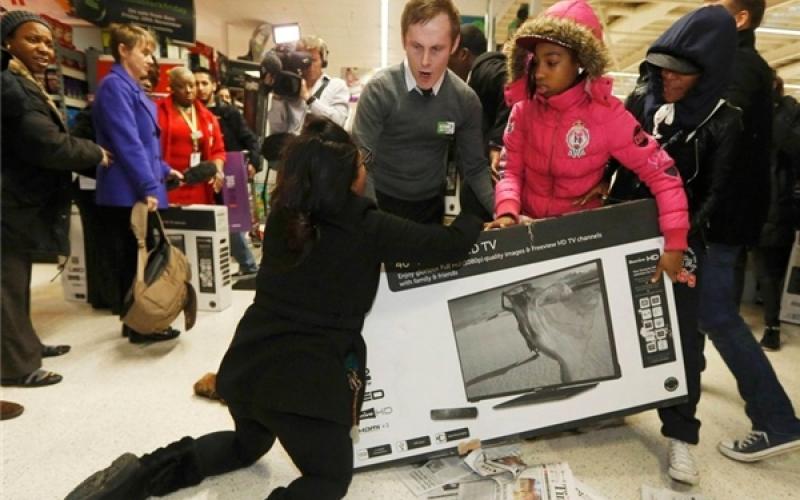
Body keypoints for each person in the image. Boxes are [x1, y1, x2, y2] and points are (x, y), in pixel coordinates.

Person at [65, 116, 483, 500]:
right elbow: (448, 246)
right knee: (330, 479)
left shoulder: (286, 217)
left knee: (246, 444)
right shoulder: (369, 226)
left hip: (248, 366)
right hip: (305, 384)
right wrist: (476, 215)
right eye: (362, 164)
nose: (365, 171)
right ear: (346, 178)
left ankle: (141, 475)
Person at [607, 5, 741, 484]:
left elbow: (715, 194)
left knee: (682, 339)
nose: (668, 77)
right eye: (663, 68)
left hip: (683, 243)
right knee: (614, 321)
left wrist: (677, 240)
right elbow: (612, 160)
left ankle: (681, 435)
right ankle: (611, 406)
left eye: (681, 72)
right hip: (625, 230)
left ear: (709, 73)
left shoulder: (725, 121)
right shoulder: (640, 100)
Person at [489, 0, 689, 285]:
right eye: (536, 62)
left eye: (552, 62)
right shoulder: (523, 111)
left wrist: (675, 243)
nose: (539, 73)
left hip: (580, 246)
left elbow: (662, 174)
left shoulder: (607, 116)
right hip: (528, 239)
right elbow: (510, 170)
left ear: (580, 61)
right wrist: (507, 211)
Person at [699, 0, 800, 462]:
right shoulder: (736, 63)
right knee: (703, 310)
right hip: (727, 215)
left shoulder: (740, 65)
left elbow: (720, 135)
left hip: (723, 217)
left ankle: (776, 420)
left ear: (740, 18)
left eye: (715, 4)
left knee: (719, 316)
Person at [1, 12, 109, 388]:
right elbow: (45, 144)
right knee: (6, 285)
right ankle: (15, 367)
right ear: (7, 43)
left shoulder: (21, 81)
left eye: (48, 42)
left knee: (16, 282)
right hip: (7, 203)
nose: (44, 49)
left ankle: (25, 345)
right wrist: (95, 152)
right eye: (33, 40)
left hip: (18, 203)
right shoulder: (10, 85)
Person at [352, 0, 495, 224]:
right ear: (403, 40)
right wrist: (374, 220)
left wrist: (503, 212)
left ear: (455, 44)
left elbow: (475, 168)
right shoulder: (379, 92)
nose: (425, 62)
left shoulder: (465, 101)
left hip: (430, 208)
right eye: (417, 47)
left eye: (437, 49)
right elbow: (364, 162)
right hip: (380, 201)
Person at [92, 23, 183, 343]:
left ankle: (138, 321)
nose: (150, 60)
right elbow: (126, 141)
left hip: (137, 185)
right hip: (127, 190)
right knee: (134, 260)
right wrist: (147, 185)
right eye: (144, 52)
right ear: (123, 50)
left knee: (139, 258)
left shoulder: (130, 88)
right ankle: (140, 325)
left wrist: (165, 169)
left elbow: (146, 143)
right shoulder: (114, 87)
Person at [194, 66, 262, 278]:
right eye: (195, 84)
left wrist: (253, 161)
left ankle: (248, 266)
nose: (200, 88)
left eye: (204, 83)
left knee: (231, 220)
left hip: (228, 172)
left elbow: (249, 138)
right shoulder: (190, 112)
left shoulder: (229, 113)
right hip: (199, 175)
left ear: (214, 85)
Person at [753, 73, 800, 351]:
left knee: (771, 269)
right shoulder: (751, 111)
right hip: (754, 201)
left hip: (777, 202)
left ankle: (772, 325)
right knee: (760, 268)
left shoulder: (789, 114)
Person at [448, 23, 510, 182]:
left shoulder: (485, 70)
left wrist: (497, 144)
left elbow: (509, 82)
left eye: (448, 56)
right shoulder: (474, 81)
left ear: (463, 54)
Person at [157, 67, 225, 205]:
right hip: (169, 184)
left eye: (191, 85)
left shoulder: (207, 116)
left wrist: (218, 170)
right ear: (171, 88)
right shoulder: (158, 111)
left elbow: (218, 150)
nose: (188, 90)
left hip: (199, 187)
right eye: (181, 86)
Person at [267, 34, 350, 135]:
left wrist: (309, 99)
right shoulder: (290, 85)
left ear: (323, 62)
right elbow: (277, 129)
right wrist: (277, 98)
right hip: (291, 143)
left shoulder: (336, 85)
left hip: (320, 143)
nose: (309, 65)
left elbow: (339, 122)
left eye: (314, 60)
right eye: (303, 60)